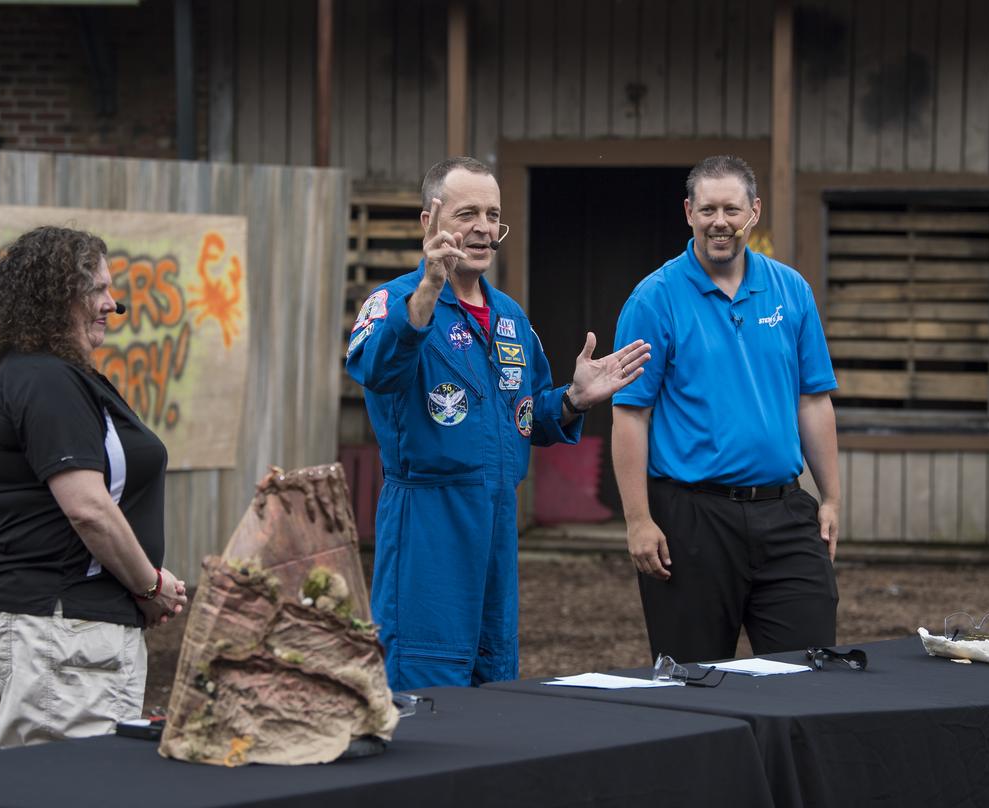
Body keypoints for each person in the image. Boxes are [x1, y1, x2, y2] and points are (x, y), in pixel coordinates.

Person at [346, 157, 651, 690]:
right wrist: (426, 292)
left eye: (493, 215)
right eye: (468, 214)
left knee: (495, 681)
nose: (484, 228)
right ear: (429, 222)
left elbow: (526, 413)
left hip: (498, 524)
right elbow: (376, 368)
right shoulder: (392, 301)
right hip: (428, 521)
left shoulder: (510, 316)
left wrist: (574, 401)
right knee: (426, 680)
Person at [612, 155, 841, 665]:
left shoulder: (790, 290)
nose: (720, 222)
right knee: (691, 681)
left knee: (809, 672)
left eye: (732, 209)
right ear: (688, 212)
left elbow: (814, 399)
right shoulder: (655, 299)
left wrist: (830, 498)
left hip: (784, 512)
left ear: (754, 212)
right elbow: (631, 414)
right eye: (708, 209)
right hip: (690, 519)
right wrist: (637, 520)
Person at [0, 225, 188, 748]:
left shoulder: (52, 375)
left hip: (66, 632)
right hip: (62, 633)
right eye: (98, 290)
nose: (113, 305)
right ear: (52, 298)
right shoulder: (44, 379)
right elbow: (88, 508)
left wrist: (146, 573)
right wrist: (150, 585)